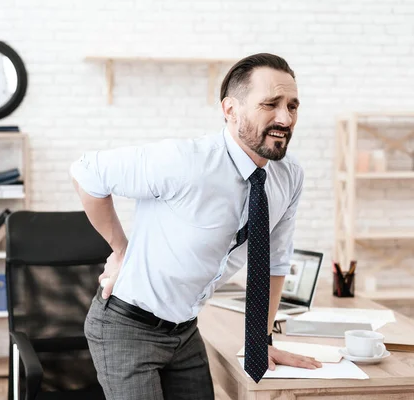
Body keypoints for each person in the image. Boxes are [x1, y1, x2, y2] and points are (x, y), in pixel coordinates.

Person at [69, 53, 322, 400]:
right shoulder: (184, 161)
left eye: (292, 106)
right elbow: (86, 172)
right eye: (270, 104)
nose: (285, 118)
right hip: (127, 327)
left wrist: (260, 340)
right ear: (230, 109)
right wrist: (121, 249)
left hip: (185, 332)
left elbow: (274, 263)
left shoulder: (288, 176)